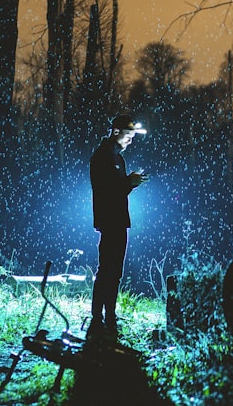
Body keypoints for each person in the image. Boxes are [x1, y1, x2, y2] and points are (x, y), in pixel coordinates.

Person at [87, 113, 149, 339]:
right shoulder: (102, 157)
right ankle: (97, 319)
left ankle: (109, 316)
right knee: (107, 270)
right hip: (109, 221)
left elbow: (116, 189)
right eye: (128, 135)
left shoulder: (116, 158)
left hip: (118, 221)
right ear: (116, 132)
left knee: (115, 272)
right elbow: (105, 190)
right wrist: (127, 182)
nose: (131, 140)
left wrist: (129, 183)